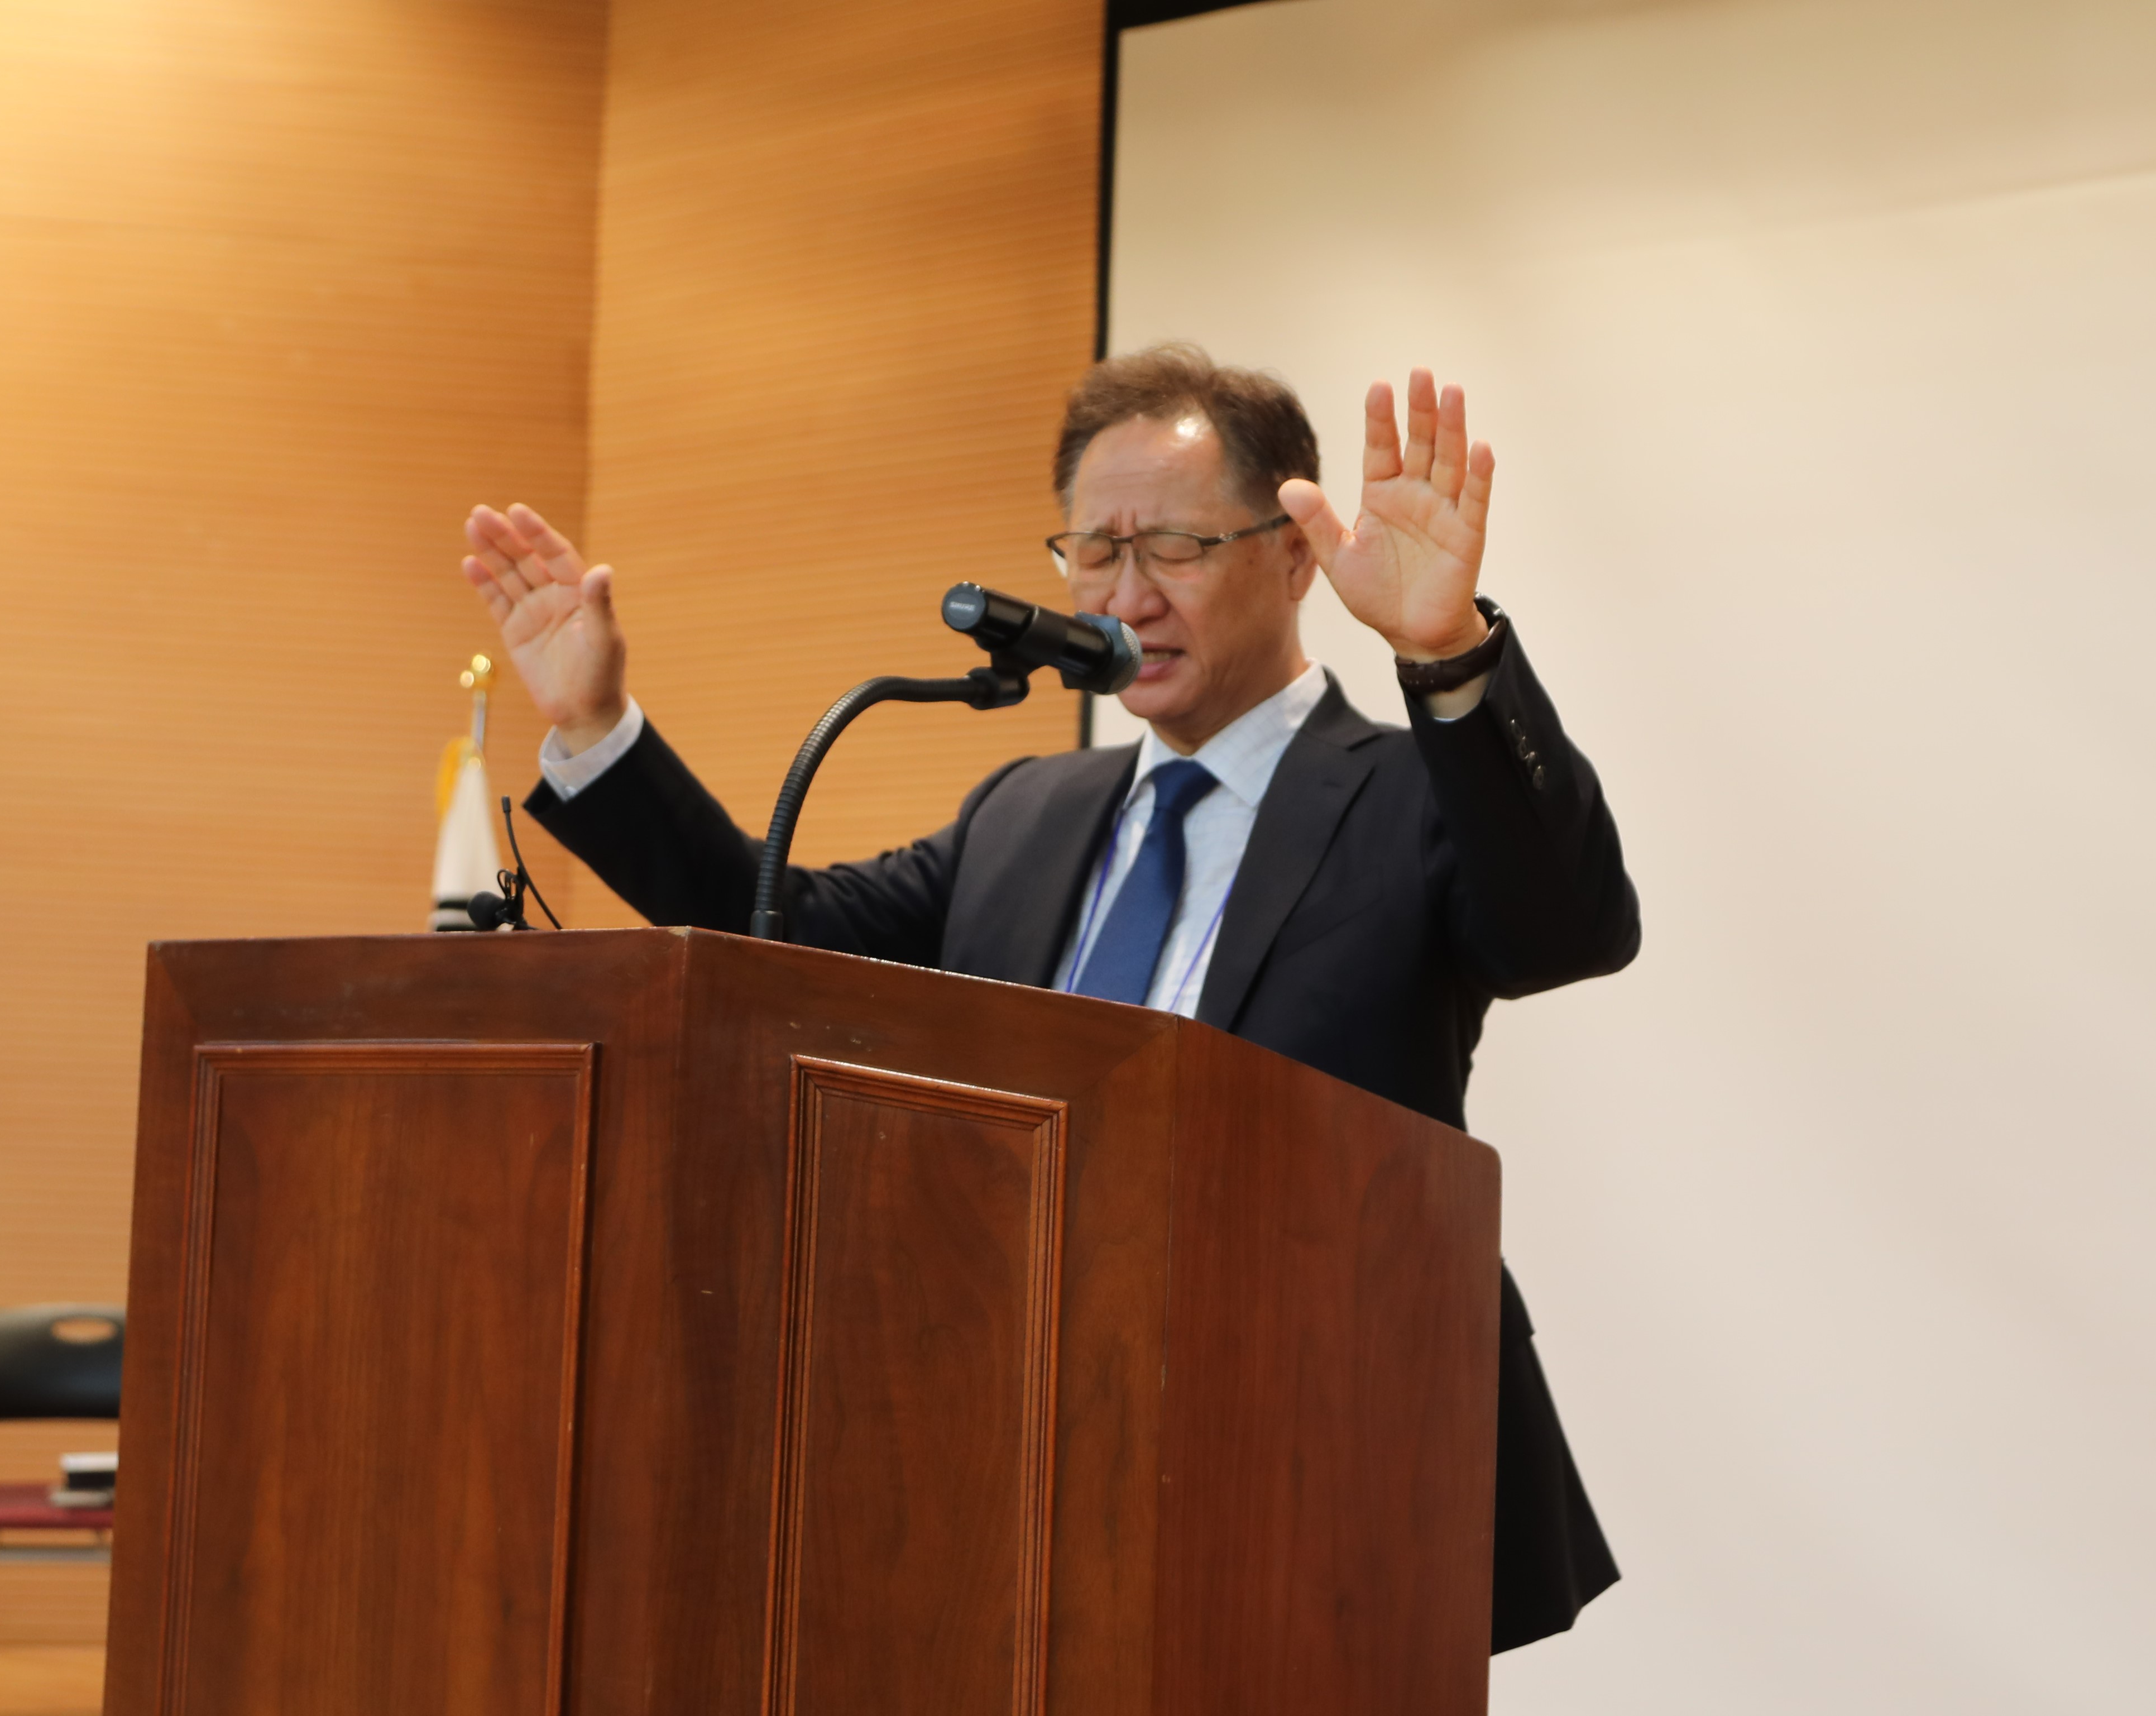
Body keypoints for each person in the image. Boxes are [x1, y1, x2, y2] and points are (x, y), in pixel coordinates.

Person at [457, 343, 1638, 1651]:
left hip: (1320, 1453)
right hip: (1011, 1443)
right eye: (1094, 552)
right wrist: (599, 730)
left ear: (1296, 553)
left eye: (1175, 547)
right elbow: (779, 935)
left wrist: (1449, 656)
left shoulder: (1413, 795)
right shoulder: (1026, 813)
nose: (1127, 596)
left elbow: (1568, 928)